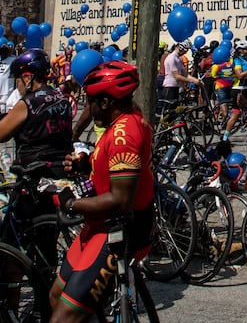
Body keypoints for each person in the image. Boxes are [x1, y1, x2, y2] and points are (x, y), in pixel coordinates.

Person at [51, 62, 154, 323]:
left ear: (106, 102)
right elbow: (110, 170)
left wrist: (71, 204)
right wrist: (86, 164)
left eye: (91, 101)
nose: (88, 107)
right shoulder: (120, 122)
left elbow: (120, 201)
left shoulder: (124, 134)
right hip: (100, 226)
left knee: (65, 317)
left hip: (119, 231)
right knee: (56, 295)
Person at [0, 48, 73, 175]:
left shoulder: (27, 103)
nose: (17, 87)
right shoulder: (62, 99)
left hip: (34, 170)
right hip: (62, 168)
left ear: (27, 78)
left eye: (17, 81)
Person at [159, 43, 198, 113]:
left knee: (175, 111)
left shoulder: (178, 58)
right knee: (169, 112)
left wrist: (196, 80)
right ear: (180, 48)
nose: (185, 52)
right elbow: (176, 76)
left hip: (176, 86)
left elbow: (185, 74)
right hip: (169, 86)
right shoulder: (172, 58)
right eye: (185, 50)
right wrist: (192, 81)